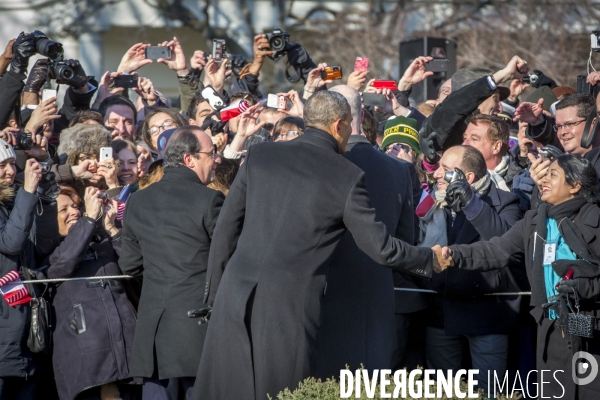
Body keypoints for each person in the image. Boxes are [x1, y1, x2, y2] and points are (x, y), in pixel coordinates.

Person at [195, 90, 434, 400]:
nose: (350, 130)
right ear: (338, 125)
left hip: (234, 296)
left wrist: (213, 296)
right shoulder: (346, 176)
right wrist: (431, 259)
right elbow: (381, 247)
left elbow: (226, 230)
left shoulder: (261, 155)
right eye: (349, 123)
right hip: (289, 309)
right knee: (281, 394)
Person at [435, 154, 600, 400]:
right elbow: (497, 249)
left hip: (590, 327)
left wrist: (584, 286)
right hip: (550, 326)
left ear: (575, 185)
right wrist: (454, 255)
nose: (543, 180)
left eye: (553, 175)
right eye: (544, 174)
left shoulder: (595, 218)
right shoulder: (536, 220)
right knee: (553, 392)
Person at [315, 85, 420, 377]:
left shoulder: (312, 165)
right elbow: (405, 241)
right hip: (377, 302)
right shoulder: (399, 170)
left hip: (321, 299)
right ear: (362, 113)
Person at [119, 126, 224, 400]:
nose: (216, 160)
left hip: (155, 337)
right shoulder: (210, 200)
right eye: (211, 154)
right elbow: (227, 259)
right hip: (197, 333)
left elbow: (130, 266)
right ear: (190, 159)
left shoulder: (137, 201)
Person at [420, 145, 523, 391]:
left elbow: (507, 244)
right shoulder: (431, 202)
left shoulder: (505, 201)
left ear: (467, 178)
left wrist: (470, 203)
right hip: (441, 313)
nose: (436, 174)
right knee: (442, 392)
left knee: (490, 392)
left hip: (486, 315)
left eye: (445, 169)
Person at [46, 186, 139, 400]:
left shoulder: (100, 242)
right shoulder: (47, 250)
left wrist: (112, 230)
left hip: (128, 352)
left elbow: (134, 268)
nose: (75, 212)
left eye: (76, 207)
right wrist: (89, 218)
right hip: (89, 365)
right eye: (64, 209)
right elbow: (61, 266)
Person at [0, 140, 56, 399]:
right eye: (2, 166)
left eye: (12, 163)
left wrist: (43, 184)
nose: (11, 171)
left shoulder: (16, 200)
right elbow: (11, 243)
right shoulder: (19, 198)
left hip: (27, 331)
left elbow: (44, 244)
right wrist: (28, 191)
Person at [462, 114, 521, 191]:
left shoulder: (519, 183)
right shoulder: (453, 172)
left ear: (496, 147)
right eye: (465, 138)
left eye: (474, 139)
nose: (464, 144)